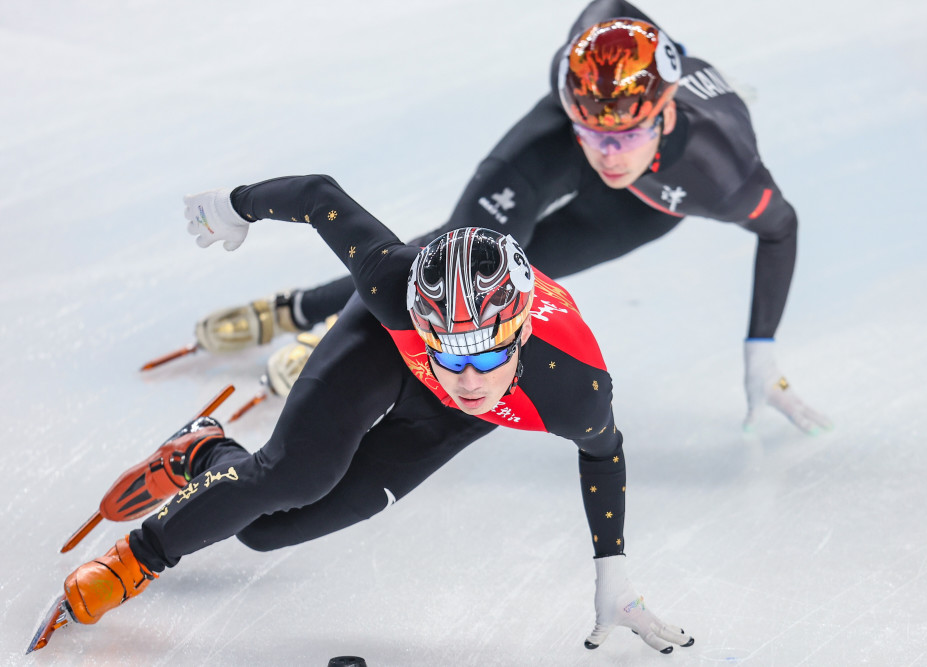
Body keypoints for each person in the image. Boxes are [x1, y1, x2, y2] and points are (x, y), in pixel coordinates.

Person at [46, 175, 694, 656]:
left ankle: (203, 452)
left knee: (265, 531)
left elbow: (604, 451)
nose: (466, 379)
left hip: (441, 410)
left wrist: (614, 567)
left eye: (486, 357)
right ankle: (141, 556)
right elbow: (318, 195)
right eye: (451, 354)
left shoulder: (573, 384)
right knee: (294, 475)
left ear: (521, 332)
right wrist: (232, 206)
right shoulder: (393, 284)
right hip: (388, 346)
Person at [189, 0, 832, 435]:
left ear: (664, 113)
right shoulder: (573, 80)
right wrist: (599, 117)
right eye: (593, 132)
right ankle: (304, 314)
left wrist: (760, 346)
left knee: (505, 284)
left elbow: (783, 227)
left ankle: (309, 318)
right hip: (556, 141)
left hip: (653, 202)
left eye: (622, 137)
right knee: (462, 256)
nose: (606, 154)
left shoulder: (722, 174)